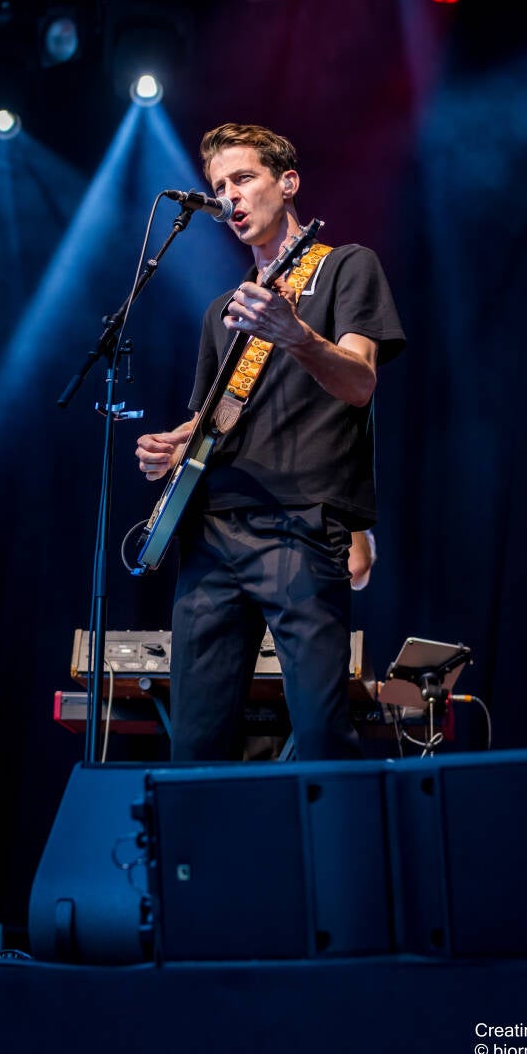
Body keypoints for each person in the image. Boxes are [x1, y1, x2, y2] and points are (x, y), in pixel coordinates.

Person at [135, 122, 405, 761]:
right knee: (195, 742)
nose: (228, 195)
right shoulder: (223, 310)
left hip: (300, 523)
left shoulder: (346, 266)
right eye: (219, 186)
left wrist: (295, 335)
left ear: (288, 183)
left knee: (320, 732)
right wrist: (174, 446)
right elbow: (214, 422)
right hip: (211, 533)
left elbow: (360, 382)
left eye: (243, 178)